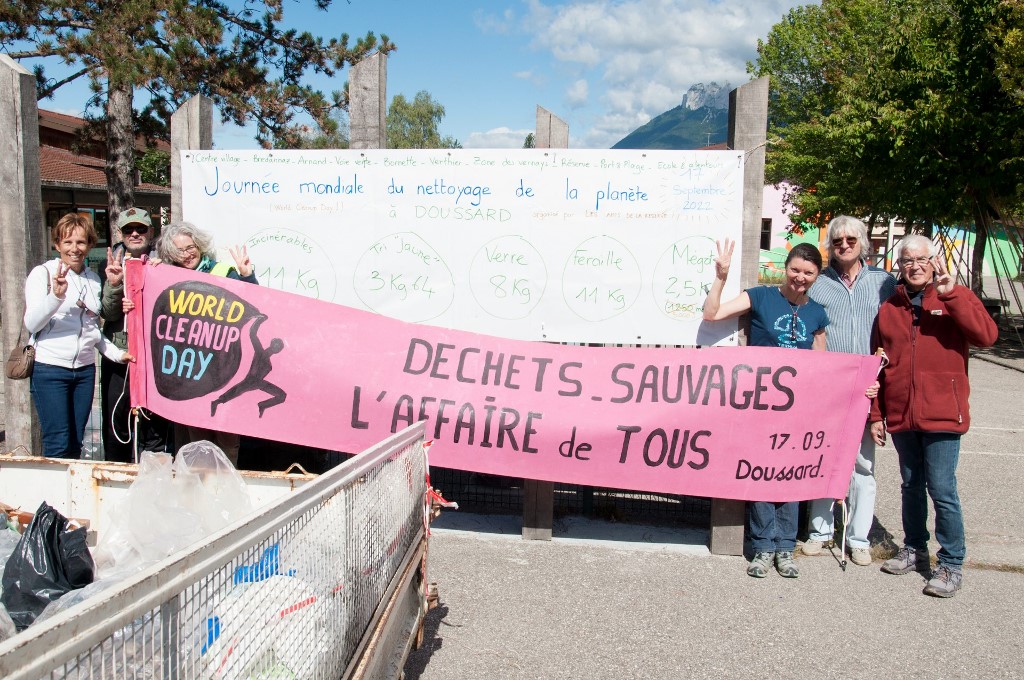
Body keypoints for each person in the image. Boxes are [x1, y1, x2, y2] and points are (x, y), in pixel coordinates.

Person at [871, 234, 997, 598]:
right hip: (903, 413)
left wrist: (953, 293)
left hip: (943, 413)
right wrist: (877, 413)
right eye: (907, 260)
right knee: (911, 486)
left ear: (935, 261)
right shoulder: (889, 309)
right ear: (899, 266)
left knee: (942, 489)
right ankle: (914, 548)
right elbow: (878, 365)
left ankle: (952, 562)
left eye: (921, 259)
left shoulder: (952, 296)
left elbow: (987, 335)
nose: (914, 266)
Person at [703, 240, 829, 579]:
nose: (800, 278)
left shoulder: (817, 313)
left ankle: (785, 546)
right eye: (795, 270)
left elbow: (824, 368)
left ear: (817, 275)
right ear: (784, 268)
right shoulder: (760, 296)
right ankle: (762, 547)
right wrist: (721, 277)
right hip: (760, 408)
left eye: (808, 273)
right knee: (760, 474)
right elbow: (711, 314)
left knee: (789, 477)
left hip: (798, 410)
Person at [803, 216, 897, 566]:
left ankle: (858, 537)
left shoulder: (883, 282)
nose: (843, 244)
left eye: (850, 239)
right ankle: (819, 532)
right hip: (830, 384)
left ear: (863, 243)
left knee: (862, 465)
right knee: (822, 458)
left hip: (868, 387)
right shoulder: (820, 283)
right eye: (837, 240)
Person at [24, 213, 135, 458]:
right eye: (68, 242)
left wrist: (118, 354)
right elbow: (32, 323)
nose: (75, 249)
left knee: (76, 442)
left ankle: (71, 496)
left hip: (84, 371)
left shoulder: (93, 279)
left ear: (89, 245)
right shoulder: (42, 274)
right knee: (58, 442)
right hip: (50, 369)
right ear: (57, 245)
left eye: (81, 242)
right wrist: (55, 297)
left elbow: (92, 331)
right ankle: (52, 497)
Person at [152, 222, 258, 466]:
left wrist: (246, 276)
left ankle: (224, 491)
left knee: (225, 438)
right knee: (192, 442)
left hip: (222, 371)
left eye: (191, 247)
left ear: (199, 246)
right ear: (169, 254)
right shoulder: (167, 275)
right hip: (187, 374)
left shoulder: (223, 271)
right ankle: (193, 494)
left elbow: (254, 302)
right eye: (179, 250)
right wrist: (153, 270)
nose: (187, 254)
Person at [100, 207, 171, 462]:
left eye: (140, 228)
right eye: (129, 229)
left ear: (150, 232)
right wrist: (115, 287)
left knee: (154, 420)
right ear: (120, 234)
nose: (135, 233)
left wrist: (161, 273)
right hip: (119, 353)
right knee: (117, 419)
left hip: (153, 354)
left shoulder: (164, 264)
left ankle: (154, 473)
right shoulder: (106, 265)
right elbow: (106, 313)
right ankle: (116, 470)